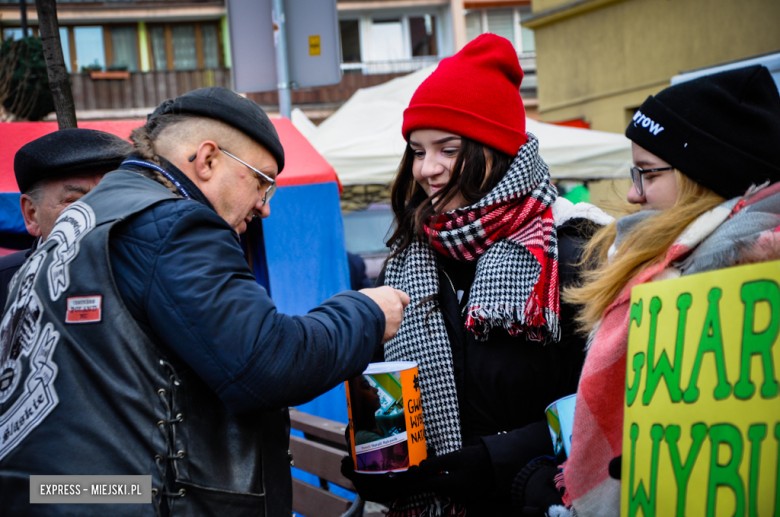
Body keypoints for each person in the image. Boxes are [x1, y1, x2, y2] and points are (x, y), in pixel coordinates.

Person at [0, 87, 409, 517]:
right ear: (208, 159)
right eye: (262, 182)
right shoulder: (172, 222)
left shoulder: (83, 226)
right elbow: (268, 362)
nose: (264, 206)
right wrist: (366, 311)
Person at [341, 34, 611, 516]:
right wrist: (372, 451)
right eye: (417, 151)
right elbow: (387, 391)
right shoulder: (408, 261)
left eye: (447, 149)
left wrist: (496, 461)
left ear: (498, 149)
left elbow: (604, 400)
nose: (428, 169)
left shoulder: (569, 255)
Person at [558, 65, 780, 517]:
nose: (634, 195)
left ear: (705, 175)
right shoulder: (659, 259)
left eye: (647, 174)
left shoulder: (751, 269)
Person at [0, 129, 132, 308]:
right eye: (75, 202)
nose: (99, 212)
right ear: (32, 214)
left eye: (112, 197)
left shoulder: (157, 275)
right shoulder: (6, 282)